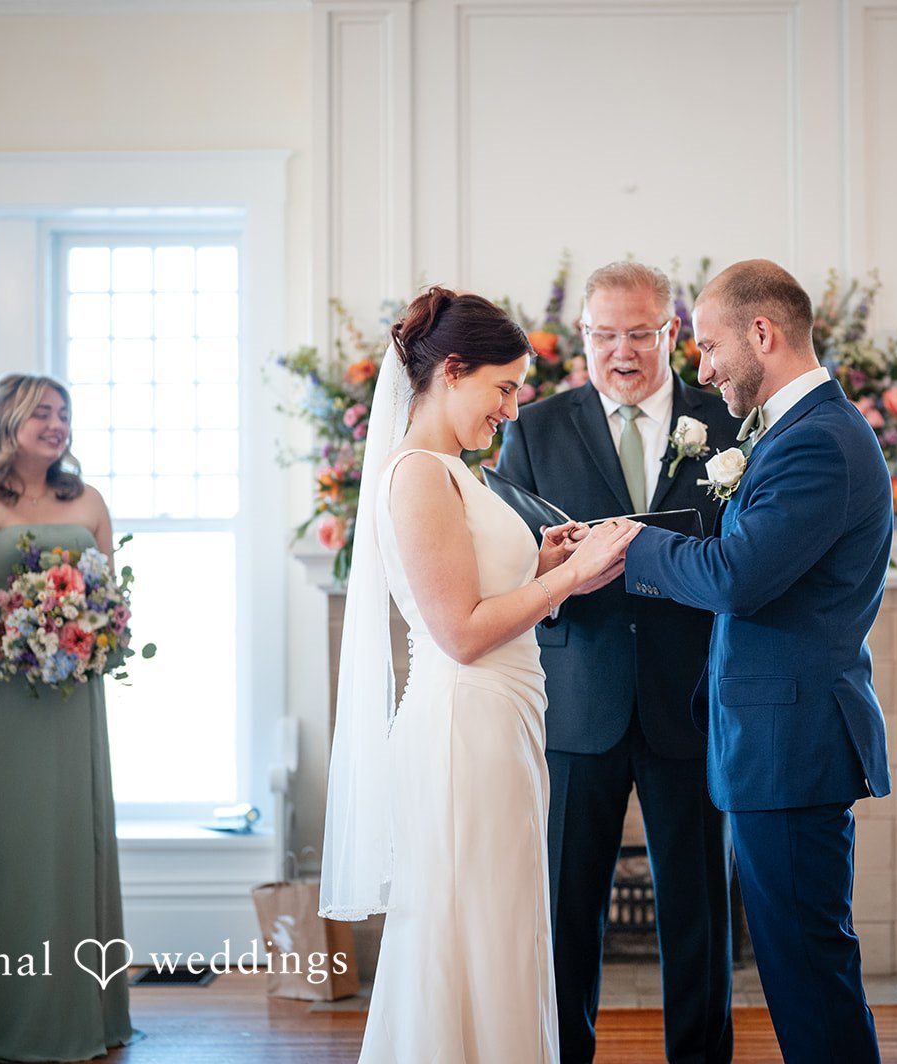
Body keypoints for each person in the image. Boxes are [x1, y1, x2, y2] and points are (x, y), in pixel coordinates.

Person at [317, 288, 638, 1061]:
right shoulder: (420, 474)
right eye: (502, 387)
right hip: (464, 727)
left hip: (504, 721)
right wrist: (569, 577)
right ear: (453, 370)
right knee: (470, 926)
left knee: (502, 920)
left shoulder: (460, 472)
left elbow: (483, 590)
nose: (510, 409)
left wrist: (544, 561)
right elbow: (458, 632)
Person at [621, 259, 891, 1063]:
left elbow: (737, 577)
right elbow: (750, 560)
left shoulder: (819, 444)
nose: (701, 370)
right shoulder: (794, 434)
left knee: (809, 973)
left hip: (793, 745)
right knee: (798, 968)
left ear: (762, 334)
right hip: (776, 744)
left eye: (708, 348)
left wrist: (631, 541)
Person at [497, 261, 738, 1064]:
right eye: (605, 335)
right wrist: (560, 571)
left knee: (700, 907)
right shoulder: (535, 430)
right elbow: (511, 574)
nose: (622, 352)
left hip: (693, 695)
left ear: (672, 332)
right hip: (578, 697)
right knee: (566, 910)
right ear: (582, 338)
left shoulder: (730, 422)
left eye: (640, 333)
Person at [0, 373, 138, 1060]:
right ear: (9, 420)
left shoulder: (88, 500)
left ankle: (73, 1014)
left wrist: (95, 636)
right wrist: (19, 648)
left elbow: (107, 594)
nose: (56, 424)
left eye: (64, 414)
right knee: (0, 849)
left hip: (68, 697)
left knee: (65, 842)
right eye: (42, 412)